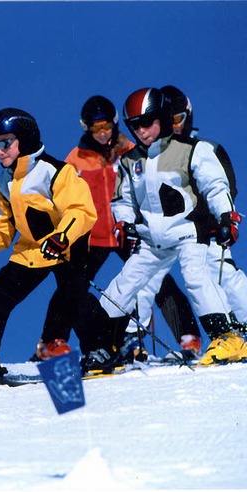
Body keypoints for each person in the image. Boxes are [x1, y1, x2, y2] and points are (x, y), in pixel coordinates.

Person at [36, 95, 200, 363]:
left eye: (106, 128)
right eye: (95, 129)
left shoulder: (131, 152)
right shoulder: (76, 158)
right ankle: (53, 341)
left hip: (127, 231)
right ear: (86, 128)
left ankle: (187, 337)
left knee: (156, 280)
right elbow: (61, 195)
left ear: (115, 124)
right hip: (92, 236)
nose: (102, 134)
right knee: (71, 286)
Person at [95, 87, 246, 368]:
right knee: (126, 285)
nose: (141, 131)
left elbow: (216, 186)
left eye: (148, 122)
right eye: (134, 125)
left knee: (202, 276)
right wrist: (125, 223)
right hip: (152, 238)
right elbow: (123, 199)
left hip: (192, 230)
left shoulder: (193, 150)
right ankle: (105, 347)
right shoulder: (130, 161)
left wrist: (226, 217)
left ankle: (228, 337)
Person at [0, 107, 101, 386]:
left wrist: (61, 237)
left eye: (5, 143)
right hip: (32, 251)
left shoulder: (55, 171)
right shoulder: (3, 183)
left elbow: (80, 210)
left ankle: (102, 351)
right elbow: (2, 229)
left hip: (67, 247)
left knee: (73, 299)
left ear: (26, 138)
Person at [161, 85, 247, 332]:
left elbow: (225, 187)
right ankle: (229, 334)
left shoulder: (206, 148)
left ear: (188, 116)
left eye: (177, 119)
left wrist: (221, 219)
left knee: (222, 273)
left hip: (209, 227)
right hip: (181, 231)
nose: (174, 127)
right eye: (168, 121)